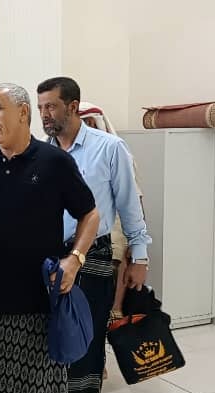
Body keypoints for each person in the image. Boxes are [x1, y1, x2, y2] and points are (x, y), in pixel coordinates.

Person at [0, 83, 100, 393]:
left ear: (23, 112)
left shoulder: (54, 162)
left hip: (36, 307)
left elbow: (90, 214)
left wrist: (74, 260)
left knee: (37, 392)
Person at [37, 77, 152, 393]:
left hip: (91, 257)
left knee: (86, 340)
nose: (44, 114)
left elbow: (130, 207)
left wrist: (139, 257)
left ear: (73, 107)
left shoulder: (109, 148)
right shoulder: (40, 153)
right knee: (48, 339)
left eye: (51, 107)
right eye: (40, 107)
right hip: (48, 258)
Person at [78, 102, 145, 321]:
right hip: (83, 227)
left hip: (113, 223)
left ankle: (114, 314)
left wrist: (139, 248)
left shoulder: (116, 151)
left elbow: (134, 199)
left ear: (91, 122)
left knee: (116, 267)